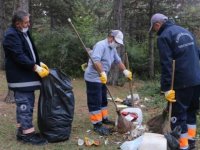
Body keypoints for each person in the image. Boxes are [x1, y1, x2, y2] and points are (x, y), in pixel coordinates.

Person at [149, 13, 200, 150]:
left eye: (154, 29)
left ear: (157, 24)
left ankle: (183, 147)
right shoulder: (185, 31)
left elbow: (166, 64)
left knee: (179, 115)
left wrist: (166, 88)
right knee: (191, 112)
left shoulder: (164, 37)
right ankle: (191, 141)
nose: (155, 31)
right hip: (196, 79)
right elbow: (198, 52)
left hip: (181, 82)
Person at [3, 10, 49, 145]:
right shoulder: (11, 35)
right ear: (18, 23)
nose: (28, 24)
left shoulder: (23, 32)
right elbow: (19, 56)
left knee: (26, 104)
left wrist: (38, 62)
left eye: (28, 21)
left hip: (25, 77)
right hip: (20, 78)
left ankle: (22, 131)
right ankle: (28, 135)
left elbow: (29, 52)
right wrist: (35, 67)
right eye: (26, 22)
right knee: (25, 105)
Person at [84, 30, 132, 135]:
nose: (117, 44)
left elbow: (118, 61)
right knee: (95, 100)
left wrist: (125, 71)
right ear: (111, 37)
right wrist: (102, 73)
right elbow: (96, 61)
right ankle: (97, 124)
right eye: (117, 41)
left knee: (103, 99)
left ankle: (104, 118)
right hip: (93, 78)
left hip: (102, 77)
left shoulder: (112, 48)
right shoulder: (100, 45)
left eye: (119, 43)